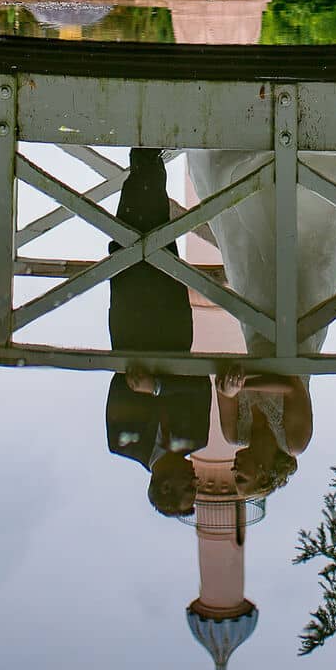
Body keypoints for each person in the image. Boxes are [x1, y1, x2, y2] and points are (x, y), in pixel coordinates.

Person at [104, 148, 211, 517]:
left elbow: (121, 387)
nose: (196, 481)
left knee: (130, 226)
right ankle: (147, 155)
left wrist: (154, 385)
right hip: (171, 316)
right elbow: (200, 386)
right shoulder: (198, 437)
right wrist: (159, 387)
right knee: (159, 225)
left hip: (131, 317)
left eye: (188, 488)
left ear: (164, 485)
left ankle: (146, 155)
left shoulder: (122, 444)